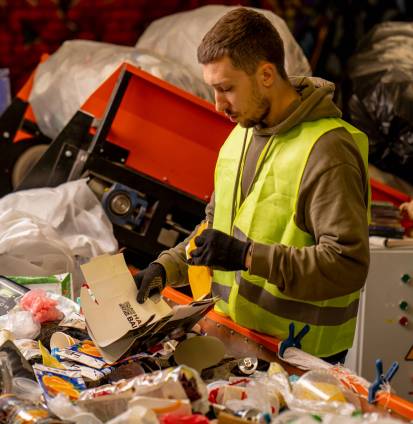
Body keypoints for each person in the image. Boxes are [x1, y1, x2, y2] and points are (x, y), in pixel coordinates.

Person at [134, 7, 370, 363]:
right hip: (237, 339)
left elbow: (347, 266)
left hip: (299, 359)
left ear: (266, 74)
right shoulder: (240, 135)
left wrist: (246, 256)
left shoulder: (328, 150)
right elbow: (216, 232)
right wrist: (167, 267)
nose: (217, 105)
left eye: (226, 88)